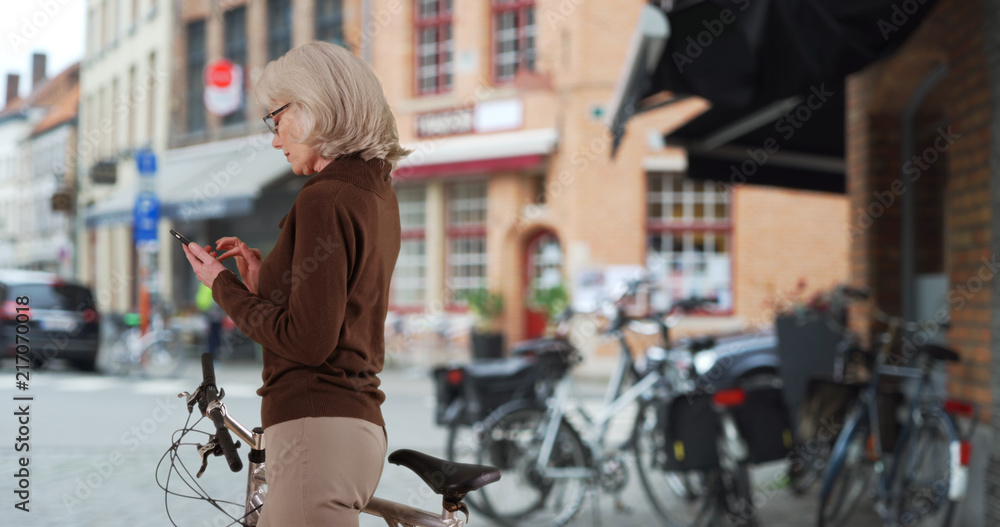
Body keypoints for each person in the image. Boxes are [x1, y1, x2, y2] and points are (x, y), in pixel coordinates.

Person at [181, 40, 407, 527]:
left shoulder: (322, 199)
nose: (275, 138)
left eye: (276, 119)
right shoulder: (374, 193)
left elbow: (308, 342)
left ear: (312, 110)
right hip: (354, 429)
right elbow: (342, 310)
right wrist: (266, 282)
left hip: (316, 434)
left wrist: (222, 284)